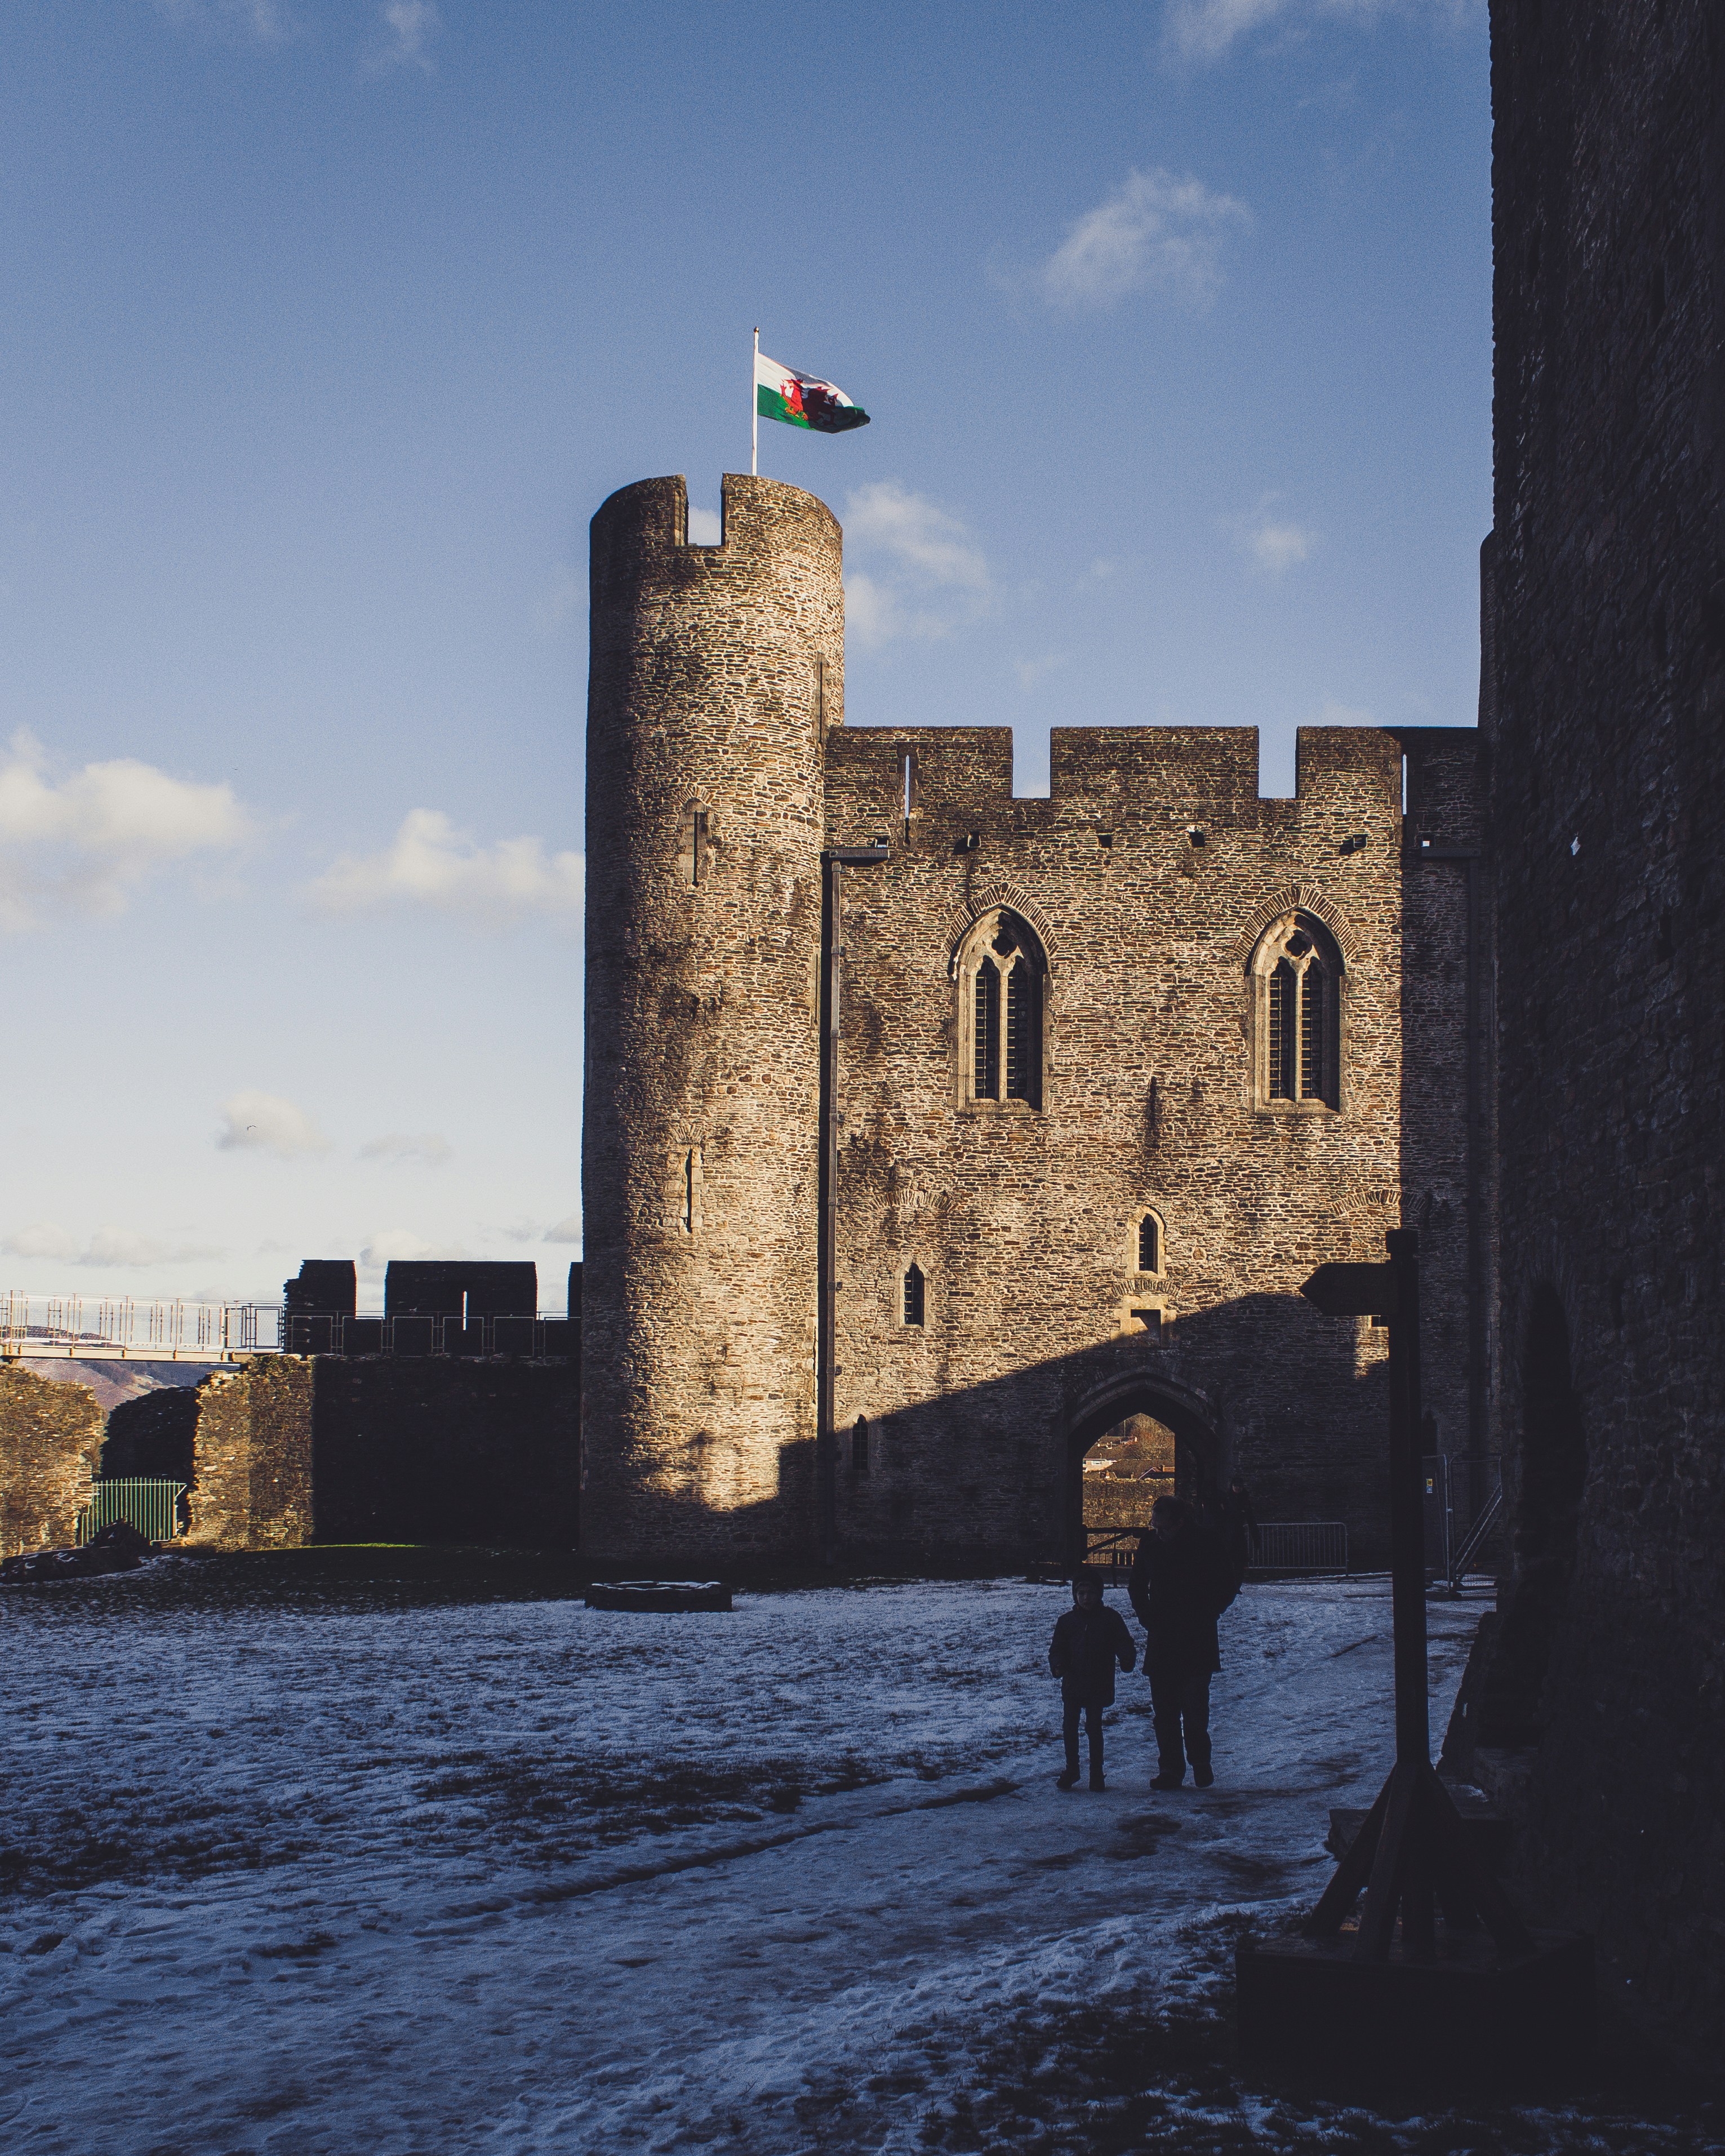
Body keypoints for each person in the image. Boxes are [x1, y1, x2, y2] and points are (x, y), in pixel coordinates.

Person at [1128, 1493, 1239, 1791]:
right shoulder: (1151, 1546)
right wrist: (1146, 1615)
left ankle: (1200, 1762)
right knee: (1164, 1711)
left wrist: (1210, 1611)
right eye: (1155, 1526)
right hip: (1163, 1635)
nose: (1158, 1532)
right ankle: (1171, 1769)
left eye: (1163, 1527)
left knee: (1194, 1709)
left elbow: (1227, 1582)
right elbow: (1137, 1583)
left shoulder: (1206, 1543)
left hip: (1195, 1634)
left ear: (1180, 1523)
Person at [1047, 1567, 1137, 1792]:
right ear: (1075, 1596)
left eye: (1091, 1593)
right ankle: (1072, 1768)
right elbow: (1057, 1648)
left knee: (1094, 1727)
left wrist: (1126, 1658)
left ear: (1099, 1594)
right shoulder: (1067, 1622)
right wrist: (1058, 1664)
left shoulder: (1109, 1619)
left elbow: (1123, 1641)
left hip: (1098, 1681)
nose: (1086, 1598)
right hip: (1073, 1682)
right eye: (1081, 1594)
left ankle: (1097, 1772)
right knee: (1070, 1726)